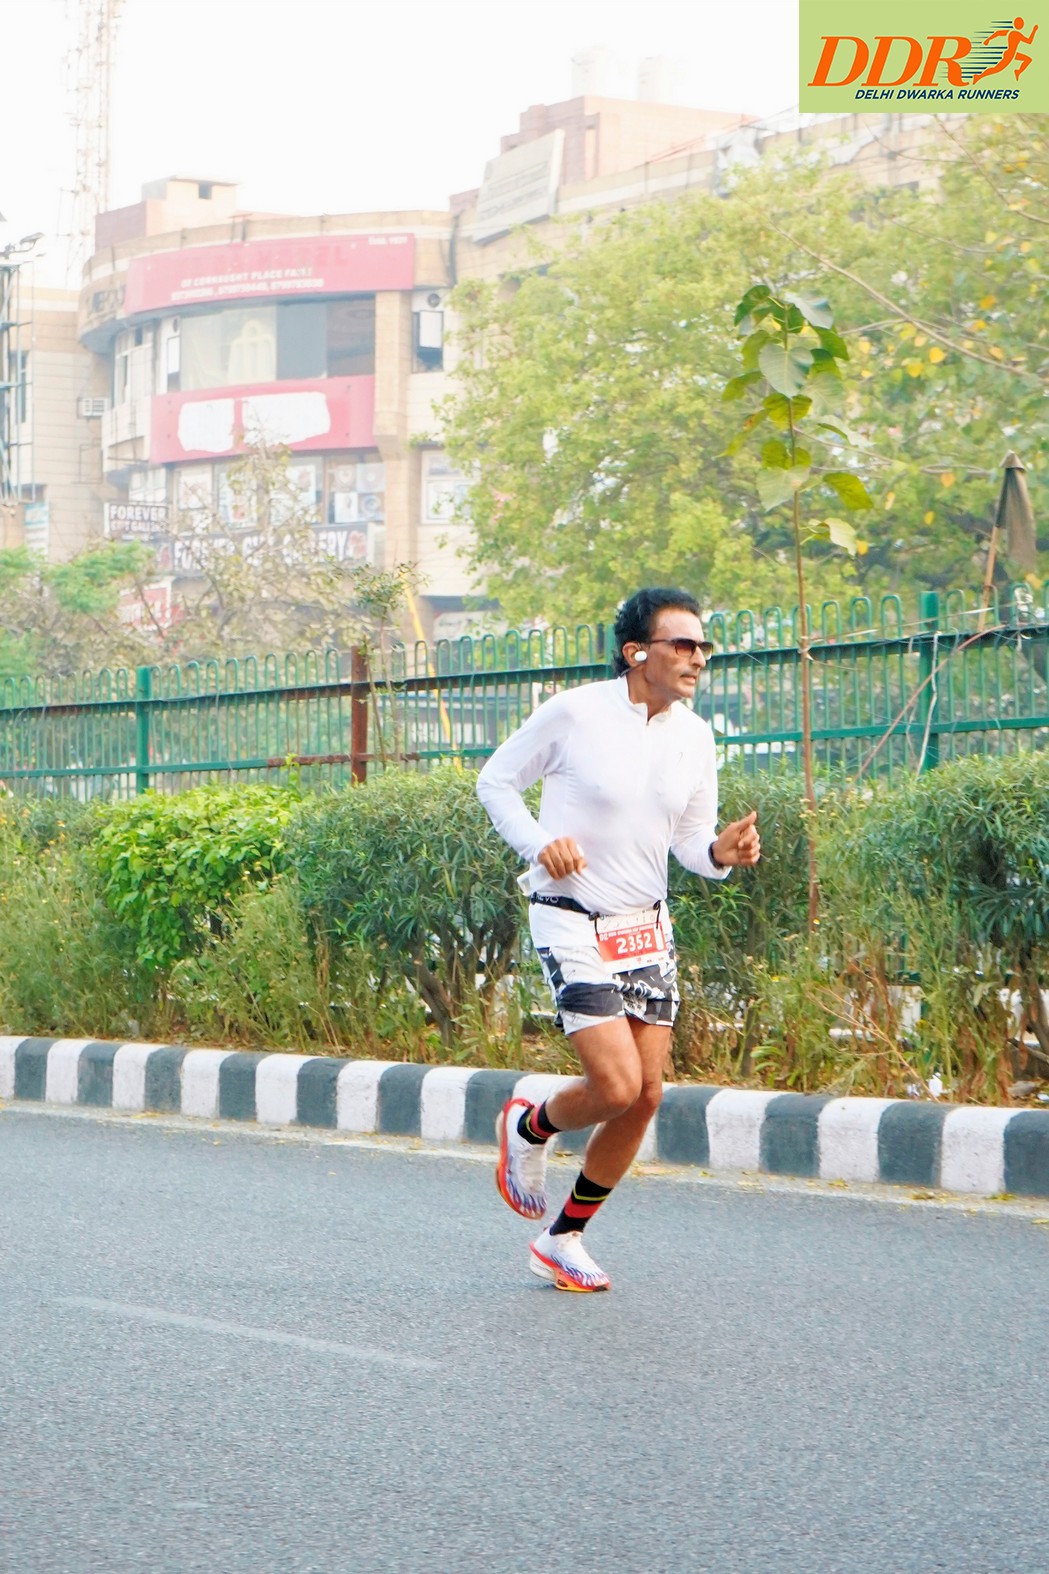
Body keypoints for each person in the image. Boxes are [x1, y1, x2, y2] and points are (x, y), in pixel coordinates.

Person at [476, 587, 761, 1292]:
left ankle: (561, 1239)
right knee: (614, 1083)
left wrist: (719, 853)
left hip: (644, 928)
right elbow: (496, 782)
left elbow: (690, 840)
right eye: (681, 644)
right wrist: (540, 844)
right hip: (570, 916)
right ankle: (529, 1128)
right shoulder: (576, 713)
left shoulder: (695, 736)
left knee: (645, 1095)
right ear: (636, 652)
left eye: (702, 646)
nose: (697, 657)